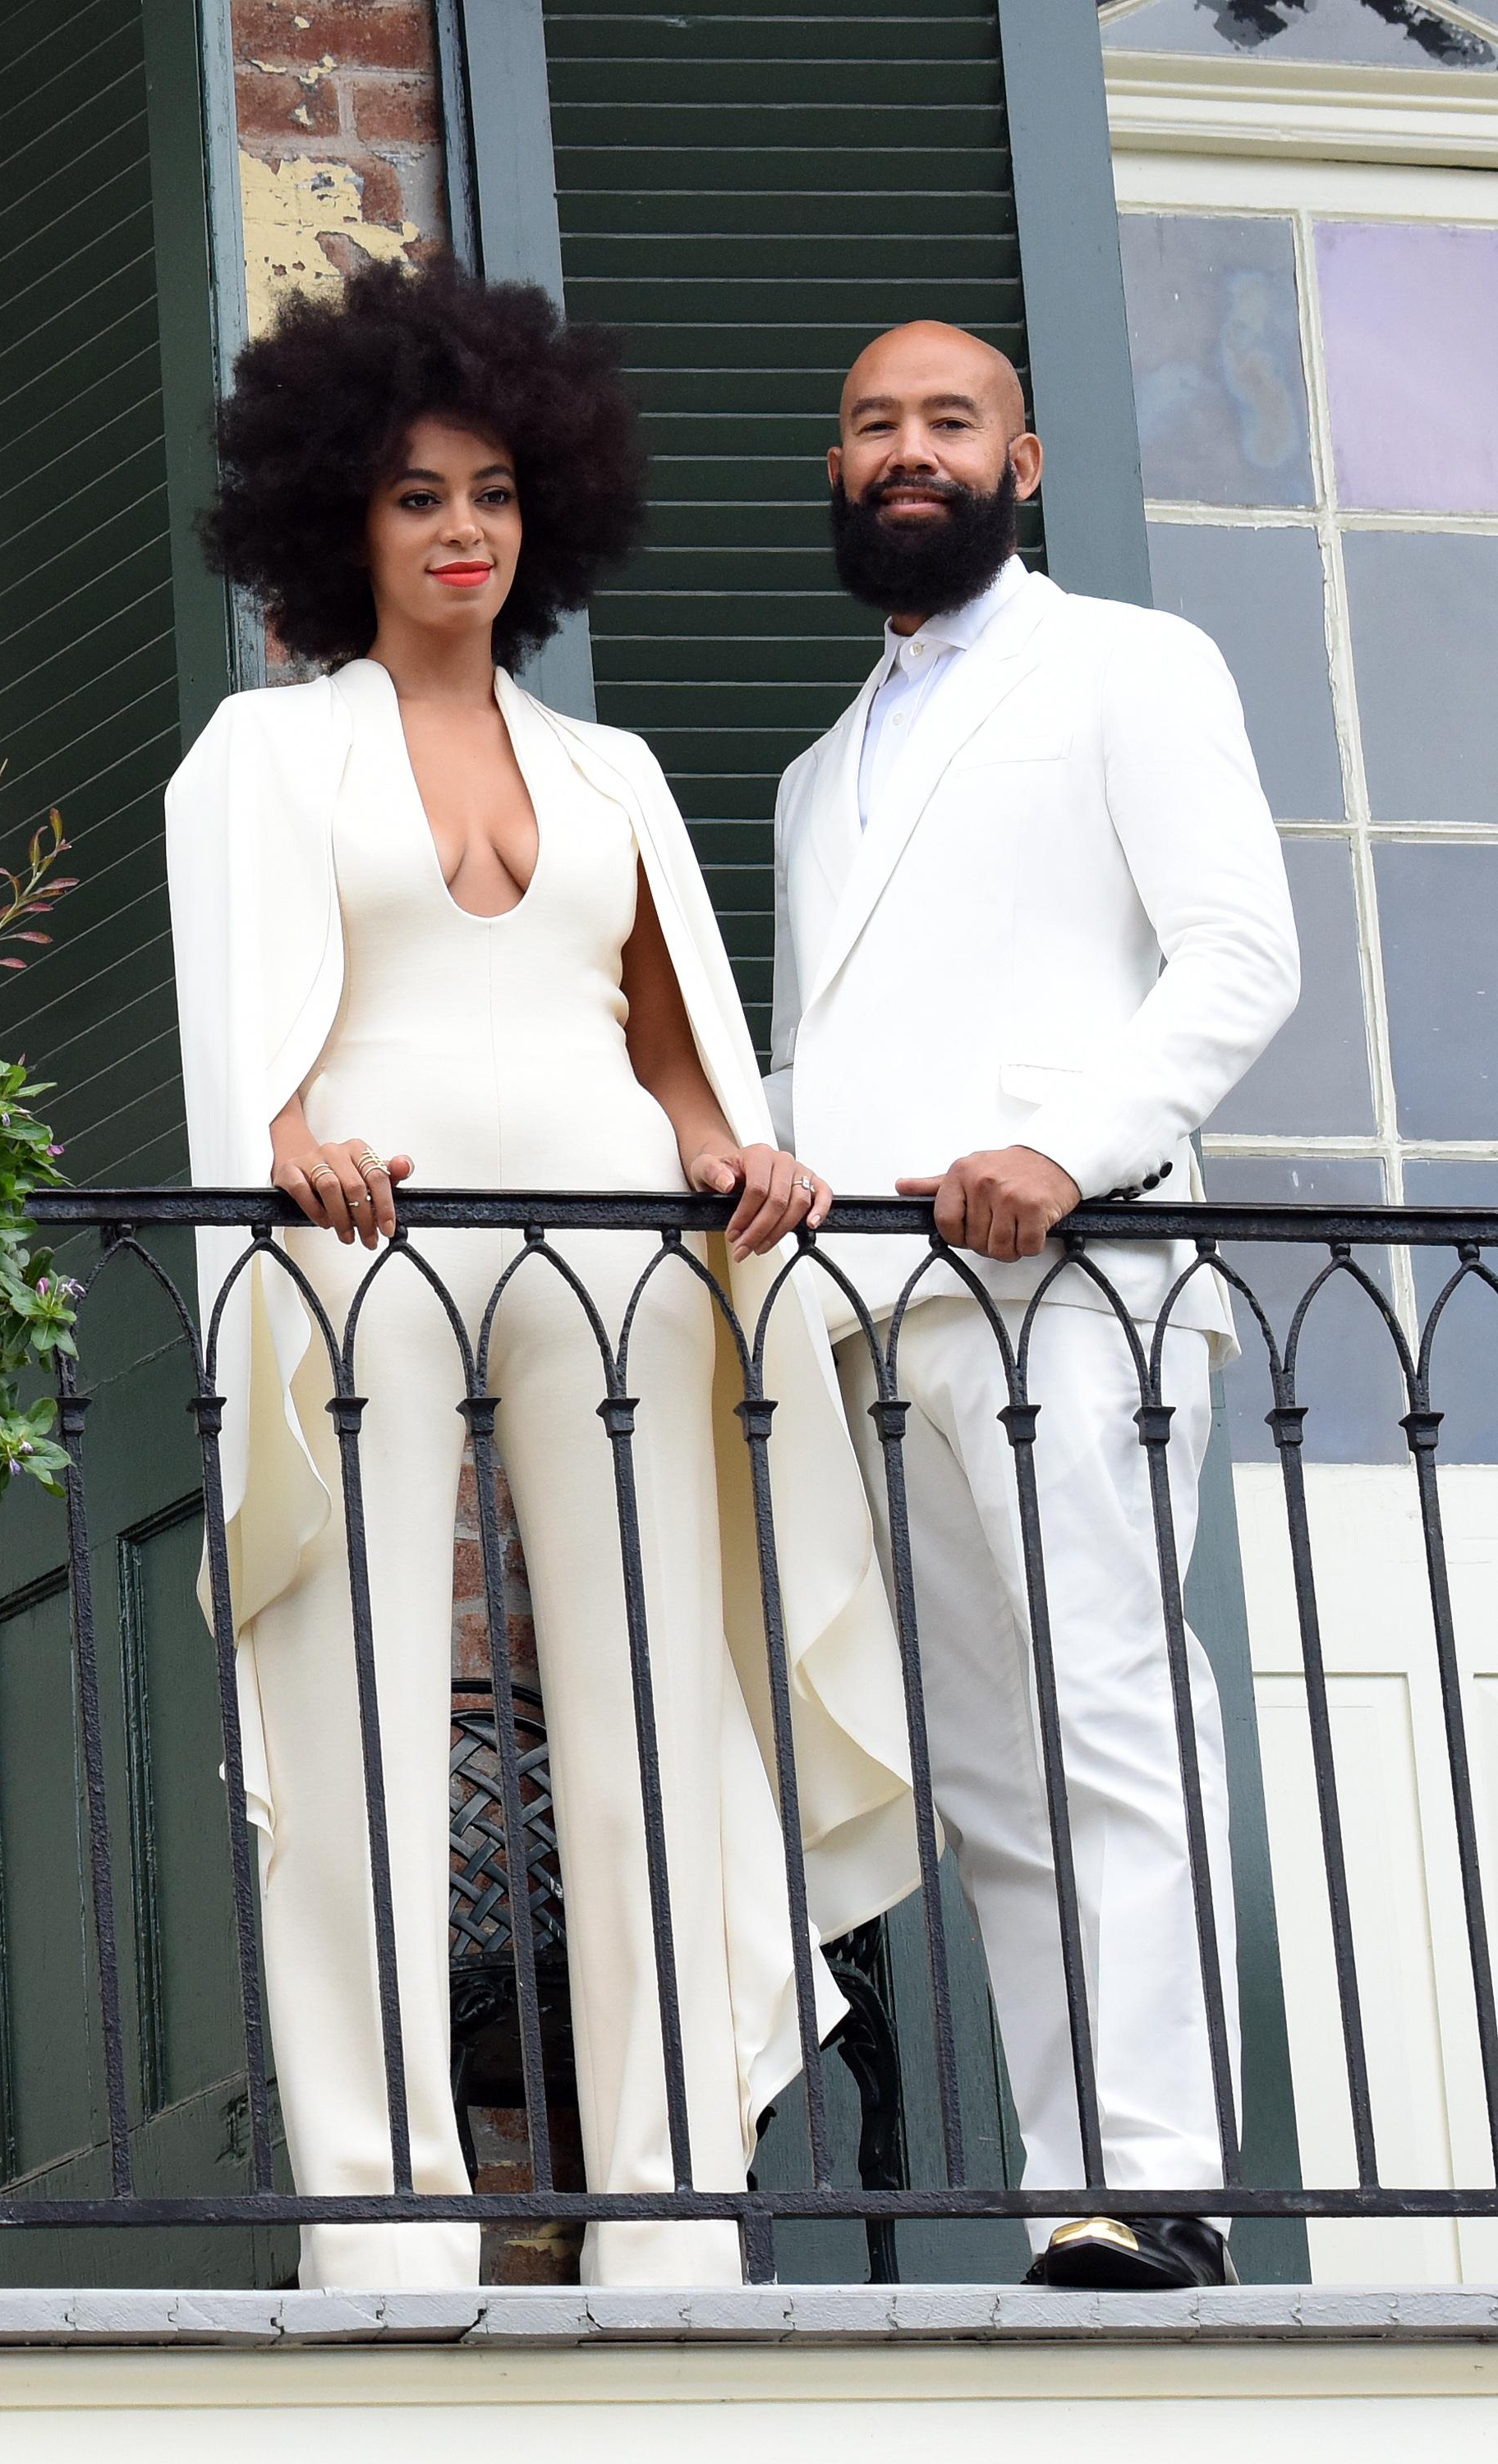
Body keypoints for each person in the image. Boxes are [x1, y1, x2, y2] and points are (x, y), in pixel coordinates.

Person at [165, 259, 917, 2292]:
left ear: (545, 510)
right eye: (418, 494)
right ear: (344, 517)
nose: (464, 528)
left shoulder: (614, 776)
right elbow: (247, 1035)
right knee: (356, 1708)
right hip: (366, 1231)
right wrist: (283, 1145)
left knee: (655, 1700)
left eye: (494, 489)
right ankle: (384, 2221)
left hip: (616, 1239)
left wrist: (728, 1154)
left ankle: (671, 2214)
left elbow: (674, 1055)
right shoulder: (259, 754)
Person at [765, 320, 1300, 2292]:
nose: (910, 451)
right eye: (875, 427)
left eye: (949, 423)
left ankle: (1162, 2176)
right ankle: (1082, 2178)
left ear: (1029, 459)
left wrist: (1070, 1152)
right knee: (989, 1770)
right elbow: (835, 1066)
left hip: (1078, 1286)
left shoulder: (1130, 668)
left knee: (1108, 1712)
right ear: (840, 471)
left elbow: (1241, 955)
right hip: (876, 1324)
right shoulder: (823, 774)